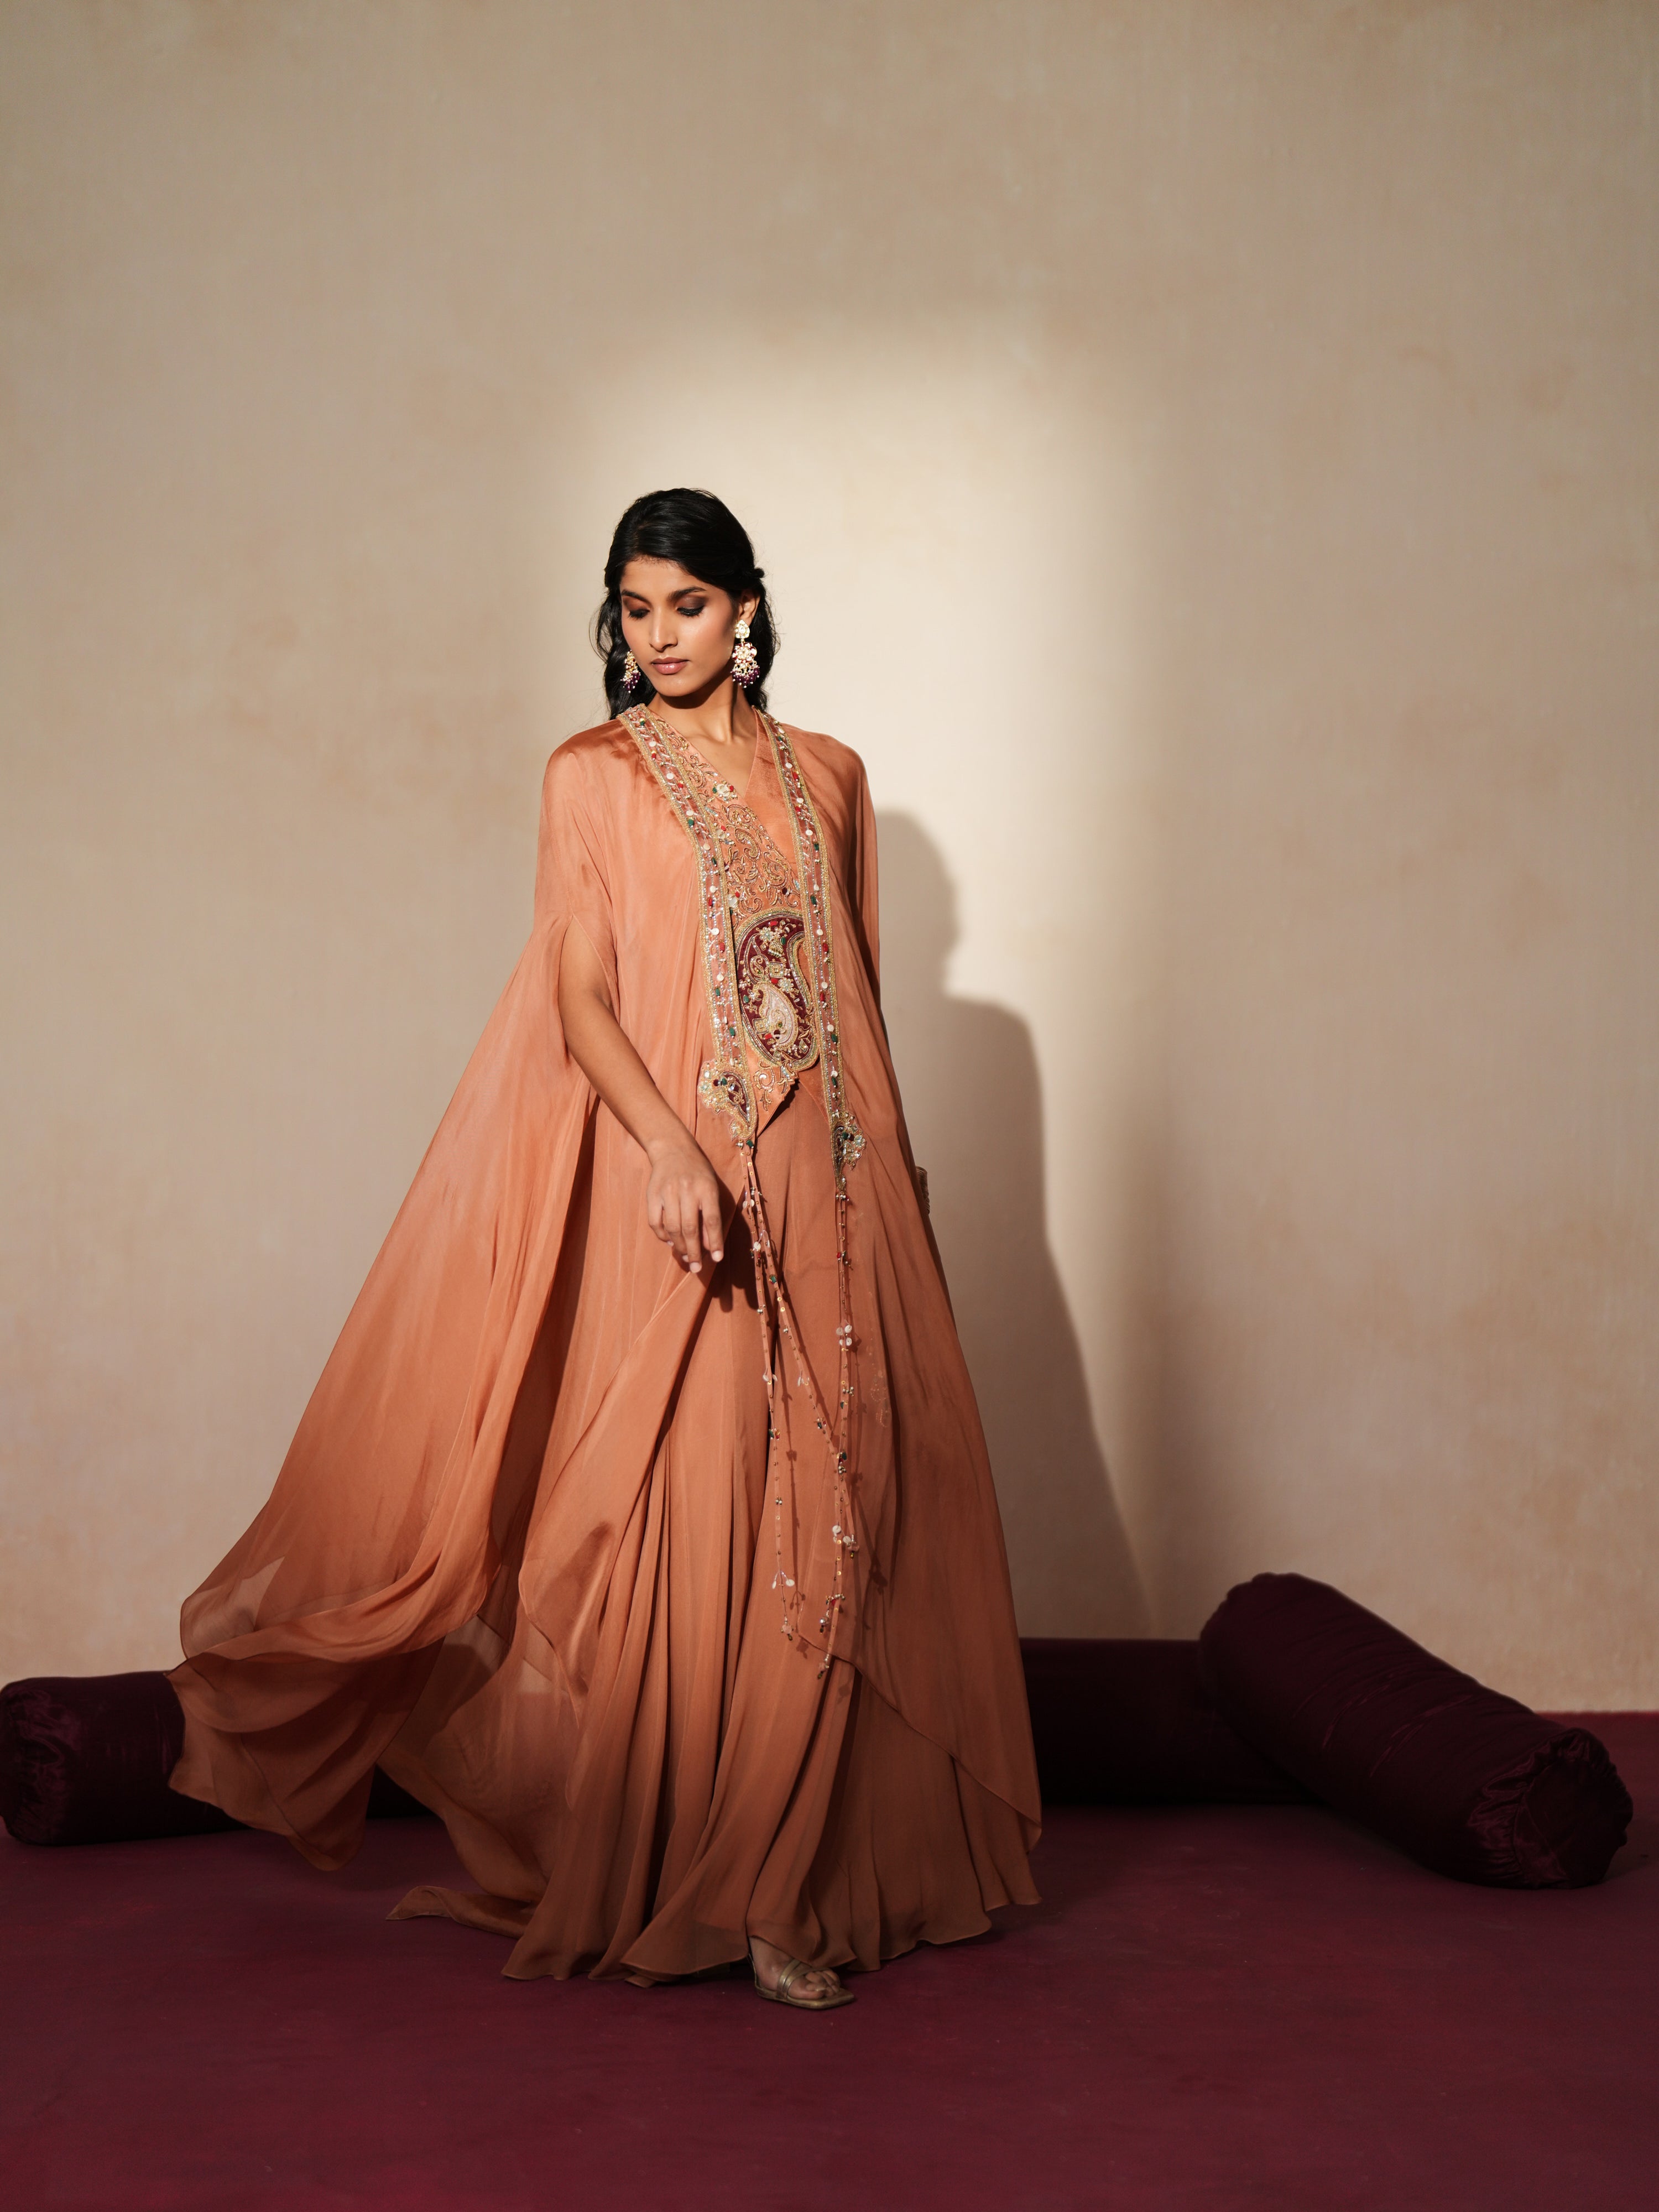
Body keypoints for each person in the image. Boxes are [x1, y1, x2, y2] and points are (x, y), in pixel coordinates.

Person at [169, 488, 1040, 2010]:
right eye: (634, 611)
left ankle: (810, 1880)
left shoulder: (828, 774)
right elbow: (578, 995)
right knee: (712, 1512)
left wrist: (895, 1183)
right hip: (693, 1184)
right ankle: (734, 1882)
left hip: (839, 1189)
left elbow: (860, 1003)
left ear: (748, 608)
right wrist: (668, 1149)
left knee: (846, 1504)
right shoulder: (592, 778)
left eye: (687, 607)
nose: (660, 637)